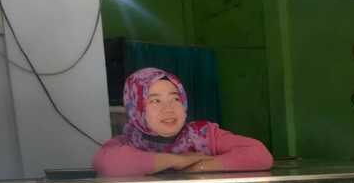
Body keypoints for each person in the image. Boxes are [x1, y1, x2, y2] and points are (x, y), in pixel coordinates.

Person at [93, 67, 273, 176]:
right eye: (155, 101)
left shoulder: (204, 134)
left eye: (175, 99)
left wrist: (200, 167)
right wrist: (176, 161)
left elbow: (260, 155)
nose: (168, 108)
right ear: (135, 109)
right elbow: (106, 165)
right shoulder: (126, 143)